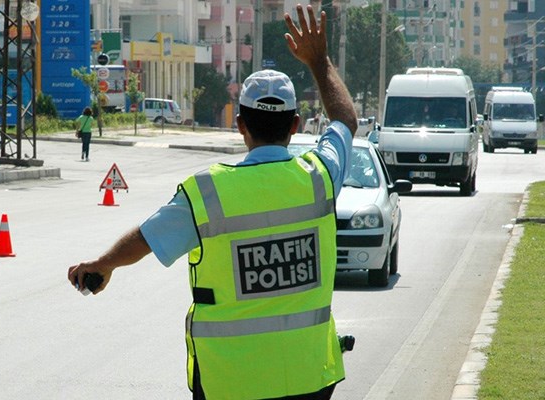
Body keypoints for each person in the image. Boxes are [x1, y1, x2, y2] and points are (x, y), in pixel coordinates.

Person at [68, 4, 357, 399]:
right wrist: (319, 61)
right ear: (296, 125)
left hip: (230, 381)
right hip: (309, 378)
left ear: (240, 125)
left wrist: (103, 264)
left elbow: (149, 237)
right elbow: (345, 122)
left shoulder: (207, 193)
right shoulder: (320, 177)